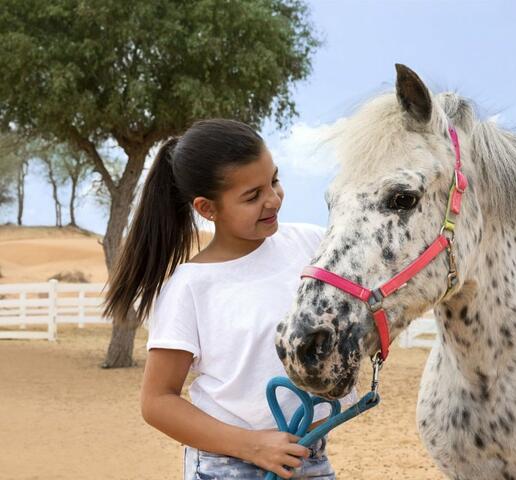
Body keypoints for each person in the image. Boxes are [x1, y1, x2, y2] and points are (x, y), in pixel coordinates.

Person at [104, 119, 356, 479]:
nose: (273, 199)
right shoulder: (190, 288)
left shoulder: (312, 244)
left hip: (307, 456)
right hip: (229, 468)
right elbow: (157, 402)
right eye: (252, 196)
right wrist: (252, 446)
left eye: (275, 180)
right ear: (208, 209)